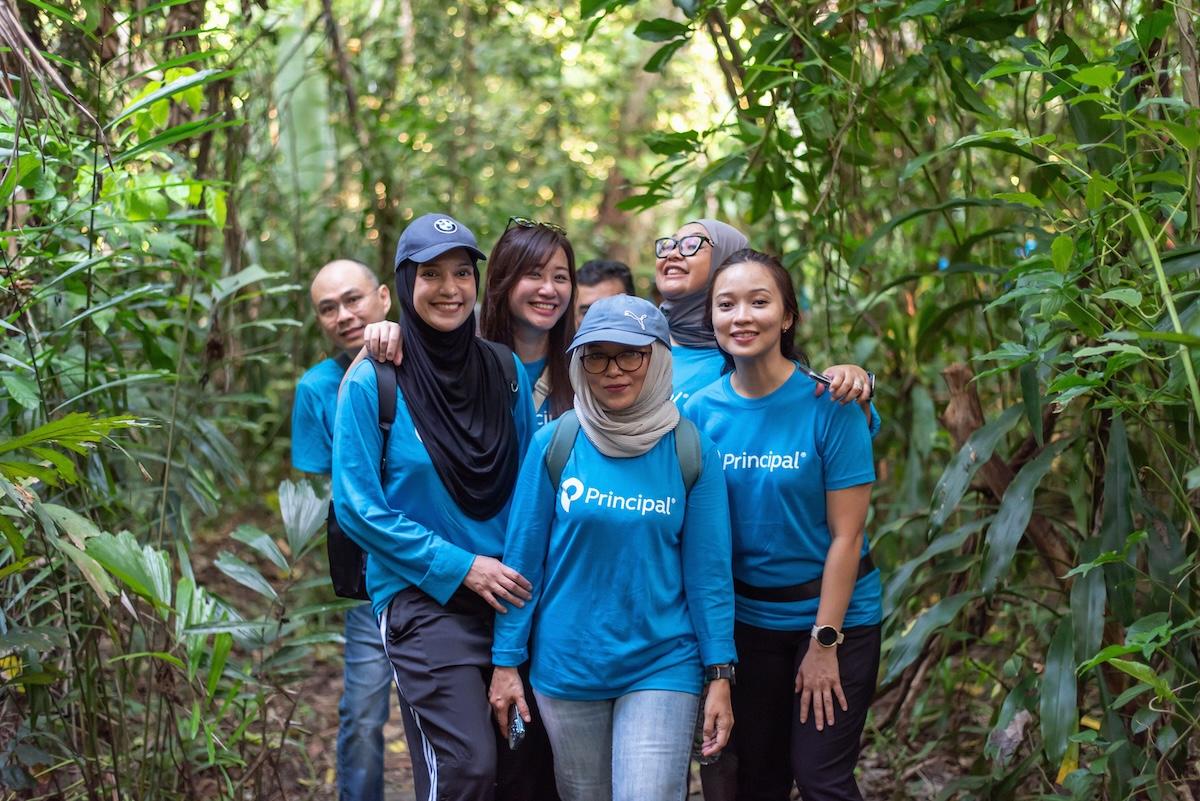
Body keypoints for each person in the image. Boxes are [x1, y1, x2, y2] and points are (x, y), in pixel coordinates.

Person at [332, 213, 549, 801]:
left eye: (461, 273)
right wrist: (461, 566)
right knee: (467, 768)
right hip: (422, 599)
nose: (450, 288)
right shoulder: (373, 380)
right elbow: (357, 508)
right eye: (431, 274)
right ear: (405, 284)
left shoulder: (502, 371)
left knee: (521, 767)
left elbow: (533, 490)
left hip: (508, 596)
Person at [488, 294, 736, 801]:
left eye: (630, 354)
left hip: (661, 660)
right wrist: (506, 662)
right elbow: (522, 561)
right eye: (596, 356)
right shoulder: (556, 444)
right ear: (579, 364)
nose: (612, 371)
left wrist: (720, 673)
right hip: (567, 664)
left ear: (658, 358)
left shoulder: (691, 450)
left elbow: (709, 575)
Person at [684, 249, 880, 801]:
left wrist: (825, 642)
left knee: (821, 777)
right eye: (726, 305)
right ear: (712, 320)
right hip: (750, 624)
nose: (741, 316)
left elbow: (848, 535)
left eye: (759, 301)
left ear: (787, 316)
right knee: (758, 779)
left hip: (836, 618)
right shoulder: (700, 413)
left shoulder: (830, 403)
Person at [290, 258, 397, 801]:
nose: (343, 315)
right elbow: (326, 489)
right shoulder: (316, 387)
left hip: (449, 559)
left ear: (383, 297)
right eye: (328, 308)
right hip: (369, 574)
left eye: (353, 299)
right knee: (361, 713)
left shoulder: (423, 361)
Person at [359, 216, 577, 430]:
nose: (548, 290)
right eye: (534, 274)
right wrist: (377, 342)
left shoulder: (587, 365)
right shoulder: (466, 356)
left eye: (560, 277)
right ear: (502, 280)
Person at [654, 220, 878, 418]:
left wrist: (851, 382)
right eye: (669, 245)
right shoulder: (643, 343)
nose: (673, 253)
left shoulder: (750, 352)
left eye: (691, 245)